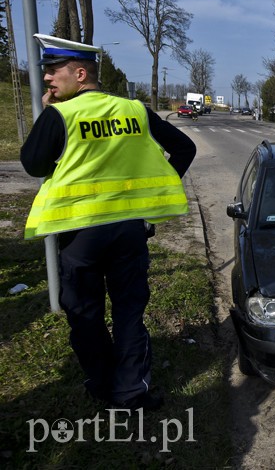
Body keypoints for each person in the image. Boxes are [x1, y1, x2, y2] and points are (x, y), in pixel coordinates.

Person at [20, 34, 196, 411]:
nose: (48, 79)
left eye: (53, 71)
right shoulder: (134, 111)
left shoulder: (61, 115)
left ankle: (102, 384)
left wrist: (45, 110)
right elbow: (185, 148)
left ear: (80, 73)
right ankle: (131, 392)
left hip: (80, 236)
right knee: (130, 313)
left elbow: (33, 163)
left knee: (85, 314)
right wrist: (153, 197)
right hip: (129, 231)